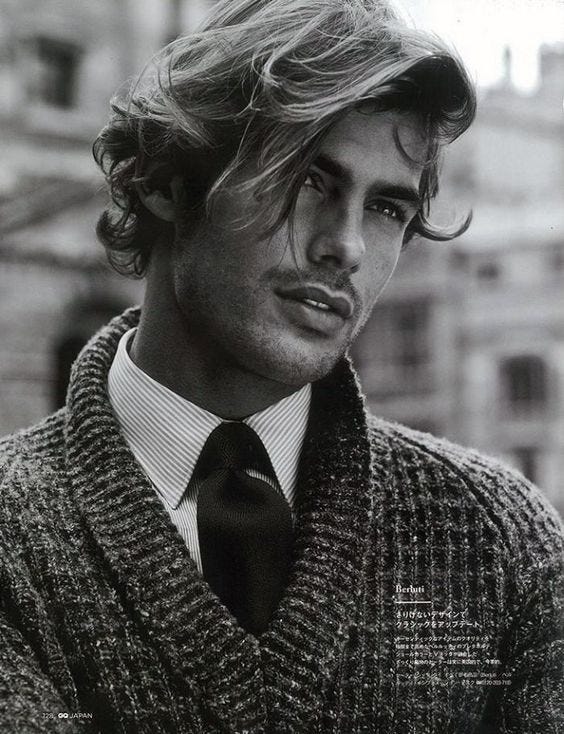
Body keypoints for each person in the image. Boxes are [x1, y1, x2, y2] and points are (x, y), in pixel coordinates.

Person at [0, 0, 562, 731]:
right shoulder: (14, 536)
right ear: (167, 181)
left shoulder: (497, 538)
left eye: (387, 209)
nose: (346, 246)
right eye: (307, 181)